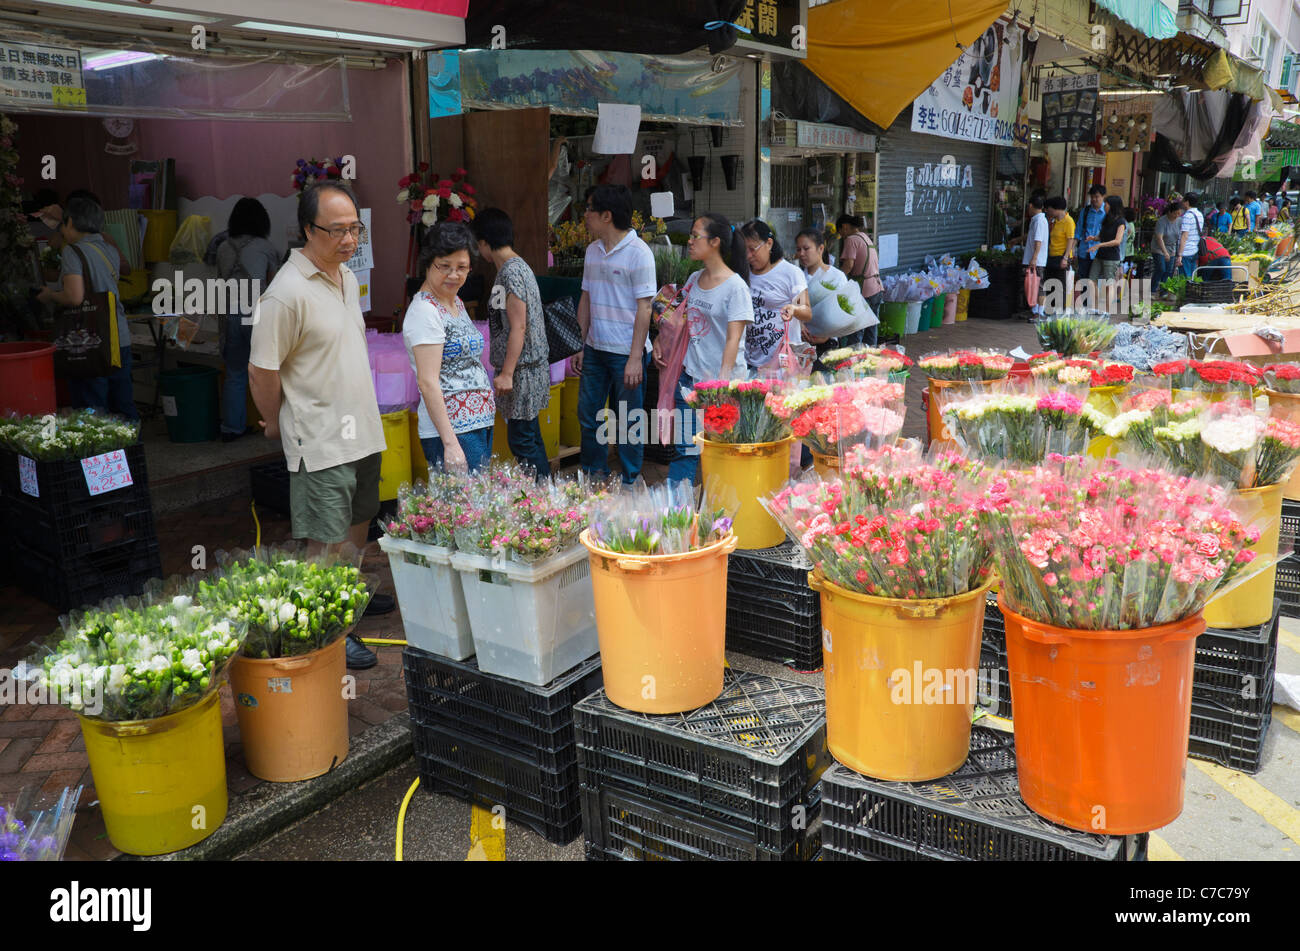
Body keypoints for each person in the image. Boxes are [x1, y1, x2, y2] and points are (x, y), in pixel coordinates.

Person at [248, 181, 391, 671]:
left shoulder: (347, 277)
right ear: (308, 230)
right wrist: (273, 420)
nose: (349, 239)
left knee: (357, 527)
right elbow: (262, 370)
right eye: (337, 230)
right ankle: (326, 631)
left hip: (362, 432)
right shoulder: (285, 295)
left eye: (355, 228)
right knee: (323, 543)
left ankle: (347, 602)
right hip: (322, 440)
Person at [656, 212, 752, 484]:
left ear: (715, 242)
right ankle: (677, 515)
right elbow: (676, 319)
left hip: (723, 387)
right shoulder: (694, 279)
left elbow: (734, 339)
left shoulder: (736, 288)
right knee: (685, 452)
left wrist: (721, 384)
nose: (689, 241)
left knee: (721, 456)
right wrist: (659, 341)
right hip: (689, 382)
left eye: (695, 236)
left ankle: (722, 517)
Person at [575, 184, 655, 485]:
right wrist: (580, 345)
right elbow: (586, 298)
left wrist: (636, 357)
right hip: (595, 348)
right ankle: (594, 474)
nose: (585, 215)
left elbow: (645, 308)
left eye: (589, 209)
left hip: (626, 352)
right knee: (590, 414)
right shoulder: (592, 251)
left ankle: (631, 480)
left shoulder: (639, 254)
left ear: (606, 215)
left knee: (628, 420)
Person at [37, 195, 138, 421]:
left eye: (63, 224)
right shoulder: (108, 249)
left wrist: (50, 295)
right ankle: (132, 453)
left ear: (70, 222)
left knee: (92, 411)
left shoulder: (73, 251)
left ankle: (98, 455)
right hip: (118, 338)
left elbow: (74, 296)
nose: (62, 231)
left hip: (90, 342)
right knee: (122, 404)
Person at [473, 207, 550, 478]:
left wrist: (507, 373)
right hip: (523, 369)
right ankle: (547, 497)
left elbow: (519, 326)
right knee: (529, 437)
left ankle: (544, 502)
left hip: (523, 371)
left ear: (483, 242)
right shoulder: (510, 268)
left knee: (523, 441)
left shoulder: (512, 272)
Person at [216, 198, 279, 442]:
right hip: (257, 316)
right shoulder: (266, 247)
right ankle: (273, 425)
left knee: (235, 373)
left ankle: (232, 429)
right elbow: (275, 287)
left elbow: (219, 285)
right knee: (268, 372)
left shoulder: (222, 247)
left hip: (230, 316)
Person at [740, 219, 810, 371]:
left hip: (782, 365)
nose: (748, 256)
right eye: (744, 250)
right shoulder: (743, 273)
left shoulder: (791, 273)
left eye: (753, 249)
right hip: (749, 362)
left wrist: (794, 309)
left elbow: (807, 311)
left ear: (769, 244)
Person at [795, 227, 858, 352]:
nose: (801, 253)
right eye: (798, 249)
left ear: (821, 249)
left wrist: (827, 334)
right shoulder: (796, 276)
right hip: (800, 344)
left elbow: (847, 312)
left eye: (806, 249)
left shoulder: (837, 277)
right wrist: (799, 325)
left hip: (828, 345)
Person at [835, 214, 883, 342]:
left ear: (844, 227)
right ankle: (870, 358)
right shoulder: (865, 237)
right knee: (871, 328)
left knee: (857, 328)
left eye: (841, 232)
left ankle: (853, 359)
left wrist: (836, 279)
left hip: (865, 289)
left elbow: (848, 265)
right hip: (877, 287)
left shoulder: (851, 239)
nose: (842, 236)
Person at [1087, 196, 1127, 295]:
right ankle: (1094, 307)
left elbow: (1117, 241)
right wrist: (1094, 238)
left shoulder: (1121, 222)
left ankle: (1107, 309)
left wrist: (1099, 245)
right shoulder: (1107, 219)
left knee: (1109, 284)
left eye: (1106, 204)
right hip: (1100, 255)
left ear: (1112, 206)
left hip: (1111, 258)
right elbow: (1103, 236)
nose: (1104, 206)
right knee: (1091, 280)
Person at [1043, 197, 1074, 312]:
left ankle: (1061, 311)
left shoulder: (1068, 221)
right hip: (1052, 256)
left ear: (1056, 209)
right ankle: (1051, 310)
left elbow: (1070, 240)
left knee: (1060, 285)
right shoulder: (1054, 221)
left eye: (1049, 209)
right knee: (1050, 283)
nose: (1048, 211)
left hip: (1062, 257)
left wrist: (1065, 258)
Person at [1021, 194, 1048, 318]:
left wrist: (1034, 258)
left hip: (1037, 260)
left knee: (1038, 285)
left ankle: (1039, 311)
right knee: (1033, 285)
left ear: (1031, 206)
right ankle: (1035, 309)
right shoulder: (1037, 219)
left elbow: (1038, 241)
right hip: (1036, 259)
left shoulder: (1039, 221)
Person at [1073, 185, 1107, 281]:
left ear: (1103, 196)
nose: (1094, 199)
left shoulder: (1107, 212)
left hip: (1100, 252)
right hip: (1084, 252)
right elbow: (1078, 232)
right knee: (1084, 280)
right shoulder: (1085, 211)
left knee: (1096, 282)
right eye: (1092, 197)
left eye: (1097, 197)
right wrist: (1072, 249)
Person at [1151, 202, 1184, 293]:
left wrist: (1179, 253)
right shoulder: (1162, 221)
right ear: (1170, 212)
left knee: (1169, 271)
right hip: (1158, 247)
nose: (1177, 215)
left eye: (1179, 213)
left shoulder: (1180, 221)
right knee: (1161, 268)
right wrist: (1165, 252)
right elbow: (1159, 238)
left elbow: (1182, 237)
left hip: (1171, 247)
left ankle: (1164, 291)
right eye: (1175, 213)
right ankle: (1152, 290)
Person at [1179, 192, 1206, 278]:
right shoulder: (1200, 214)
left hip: (1186, 251)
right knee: (1192, 277)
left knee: (1185, 279)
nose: (1182, 202)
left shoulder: (1187, 216)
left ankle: (1185, 291)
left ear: (1187, 202)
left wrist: (1180, 254)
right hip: (1194, 250)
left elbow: (1184, 236)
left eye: (1183, 200)